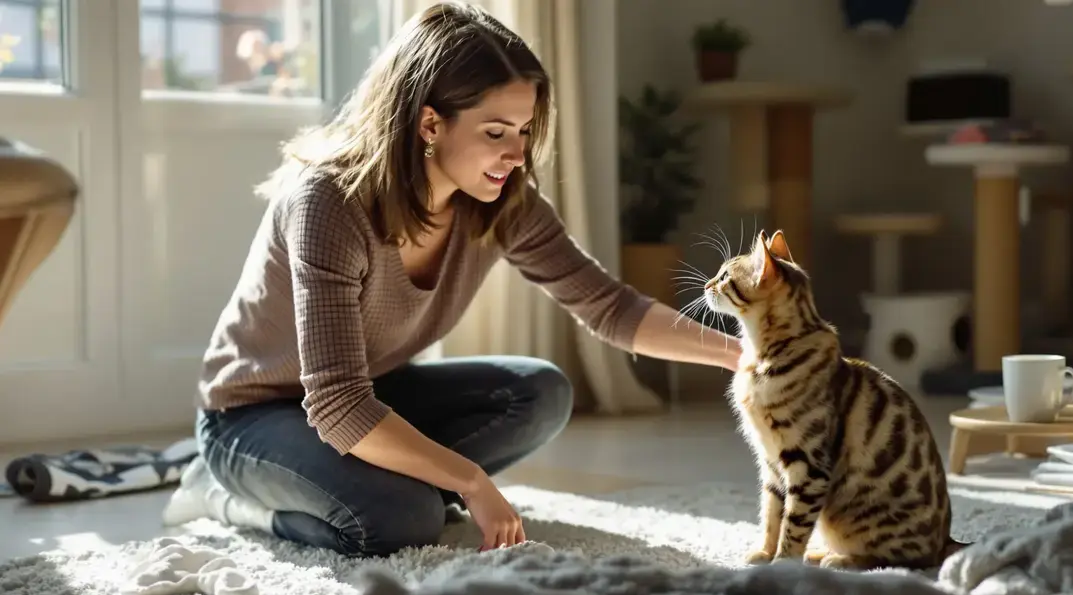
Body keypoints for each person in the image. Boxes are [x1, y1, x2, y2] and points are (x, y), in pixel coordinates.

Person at [162, 2, 739, 557]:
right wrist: (469, 481)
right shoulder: (328, 203)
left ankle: (389, 485)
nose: (517, 155)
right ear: (430, 124)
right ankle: (224, 497)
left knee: (540, 394)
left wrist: (741, 355)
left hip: (371, 391)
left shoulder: (503, 202)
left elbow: (609, 308)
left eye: (524, 130)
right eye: (495, 132)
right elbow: (335, 403)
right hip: (252, 416)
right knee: (399, 520)